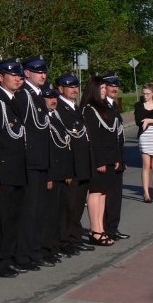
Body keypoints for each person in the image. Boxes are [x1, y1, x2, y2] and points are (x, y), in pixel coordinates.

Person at [0, 59, 26, 278]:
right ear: (0, 77)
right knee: (0, 219)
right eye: (12, 75)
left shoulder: (15, 101)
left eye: (20, 75)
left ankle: (8, 257)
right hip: (3, 170)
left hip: (17, 169)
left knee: (12, 217)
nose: (18, 78)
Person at [14, 55, 53, 269]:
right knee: (28, 211)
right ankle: (24, 254)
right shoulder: (23, 95)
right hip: (29, 161)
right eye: (38, 71)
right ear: (26, 73)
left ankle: (34, 251)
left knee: (39, 210)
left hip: (40, 161)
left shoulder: (38, 96)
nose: (42, 75)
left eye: (44, 71)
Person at [55, 74, 94, 254]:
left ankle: (75, 238)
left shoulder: (75, 108)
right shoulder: (59, 108)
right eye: (69, 87)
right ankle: (65, 240)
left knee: (78, 205)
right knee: (68, 206)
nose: (74, 90)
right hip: (71, 166)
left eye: (76, 86)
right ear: (60, 89)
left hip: (82, 165)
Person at [81, 76, 120, 247]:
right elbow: (93, 139)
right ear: (94, 90)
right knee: (96, 193)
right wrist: (99, 161)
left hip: (109, 157)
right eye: (102, 88)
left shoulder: (106, 108)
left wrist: (116, 158)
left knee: (103, 193)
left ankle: (100, 228)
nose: (105, 91)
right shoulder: (89, 110)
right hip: (98, 159)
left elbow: (113, 135)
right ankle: (95, 230)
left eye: (105, 88)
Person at [42, 85, 72, 261]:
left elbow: (65, 146)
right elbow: (47, 150)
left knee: (61, 212)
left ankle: (56, 244)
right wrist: (49, 175)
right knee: (49, 213)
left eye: (55, 98)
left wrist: (67, 171)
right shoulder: (43, 120)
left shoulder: (57, 117)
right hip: (51, 173)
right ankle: (47, 247)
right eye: (49, 98)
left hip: (62, 172)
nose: (53, 101)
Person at [101, 73, 128, 240]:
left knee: (116, 195)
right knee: (109, 195)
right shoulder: (102, 106)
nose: (114, 88)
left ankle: (113, 227)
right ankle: (106, 227)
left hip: (118, 155)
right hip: (110, 157)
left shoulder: (114, 105)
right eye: (111, 85)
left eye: (116, 85)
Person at [134, 82, 153, 203]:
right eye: (144, 93)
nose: (145, 95)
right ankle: (146, 194)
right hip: (145, 136)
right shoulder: (139, 105)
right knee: (146, 165)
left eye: (147, 93)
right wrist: (150, 120)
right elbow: (138, 121)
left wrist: (148, 120)